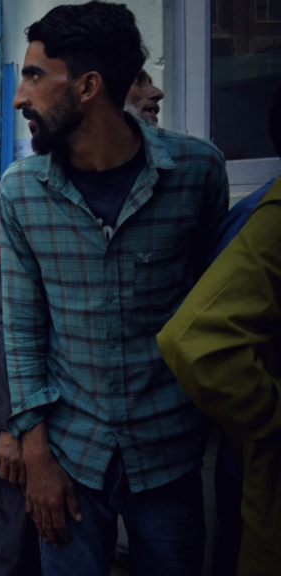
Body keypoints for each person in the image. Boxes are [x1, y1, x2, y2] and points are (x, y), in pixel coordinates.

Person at [3, 3, 228, 574]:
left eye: (34, 77)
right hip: (69, 452)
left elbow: (214, 308)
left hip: (170, 448)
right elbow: (22, 330)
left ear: (88, 87)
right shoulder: (21, 191)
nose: (19, 99)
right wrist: (36, 456)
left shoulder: (197, 172)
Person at [158, 87, 281, 576]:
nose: (156, 93)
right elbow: (193, 340)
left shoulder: (206, 173)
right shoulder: (261, 217)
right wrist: (265, 415)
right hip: (247, 451)